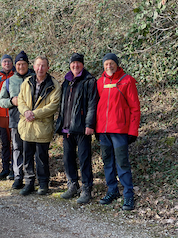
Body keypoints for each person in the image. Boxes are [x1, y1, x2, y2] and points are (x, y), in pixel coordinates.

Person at [96, 53, 140, 210]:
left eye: (111, 63)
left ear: (117, 64)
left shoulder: (127, 81)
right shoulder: (100, 82)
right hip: (103, 131)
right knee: (107, 162)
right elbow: (97, 107)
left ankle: (128, 195)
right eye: (106, 63)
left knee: (122, 163)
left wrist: (133, 131)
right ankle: (112, 190)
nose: (109, 66)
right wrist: (97, 128)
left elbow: (135, 108)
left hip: (120, 130)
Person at [55, 53, 98, 203]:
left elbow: (93, 104)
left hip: (82, 128)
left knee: (84, 159)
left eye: (78, 63)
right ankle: (72, 185)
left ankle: (86, 188)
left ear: (83, 65)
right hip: (67, 128)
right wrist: (60, 123)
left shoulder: (89, 81)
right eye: (73, 63)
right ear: (70, 65)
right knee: (68, 158)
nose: (75, 66)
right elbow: (62, 105)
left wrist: (89, 124)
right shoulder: (66, 81)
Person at [17, 55, 61, 196]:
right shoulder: (27, 81)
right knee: (27, 157)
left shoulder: (54, 84)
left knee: (41, 158)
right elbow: (21, 100)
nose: (40, 68)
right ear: (34, 67)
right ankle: (29, 183)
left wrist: (34, 114)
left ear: (48, 68)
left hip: (42, 127)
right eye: (38, 65)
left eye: (43, 66)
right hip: (27, 126)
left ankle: (43, 184)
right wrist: (26, 112)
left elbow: (53, 106)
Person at [0, 51, 33, 189]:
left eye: (23, 64)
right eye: (18, 64)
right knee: (17, 148)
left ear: (27, 65)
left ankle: (29, 175)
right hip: (15, 119)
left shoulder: (35, 78)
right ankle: (18, 176)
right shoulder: (9, 81)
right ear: (15, 65)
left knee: (30, 148)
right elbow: (1, 100)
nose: (21, 66)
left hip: (32, 119)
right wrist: (12, 101)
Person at [0, 54, 15, 180]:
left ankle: (15, 169)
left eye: (9, 61)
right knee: (4, 144)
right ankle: (5, 168)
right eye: (5, 62)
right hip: (2, 116)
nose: (7, 64)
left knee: (15, 144)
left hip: (14, 115)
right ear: (2, 64)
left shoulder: (16, 76)